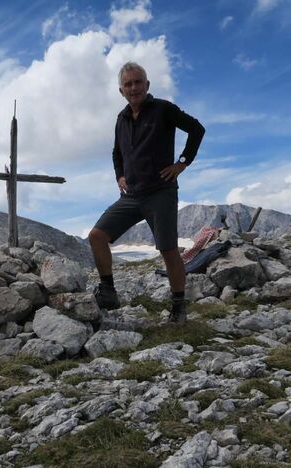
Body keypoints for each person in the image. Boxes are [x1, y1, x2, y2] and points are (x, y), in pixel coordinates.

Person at [89, 62, 205, 323]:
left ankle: (178, 308)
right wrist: (119, 174)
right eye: (128, 84)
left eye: (138, 82)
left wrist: (182, 162)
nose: (134, 88)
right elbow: (116, 152)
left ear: (147, 85)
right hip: (131, 196)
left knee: (168, 249)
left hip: (161, 192)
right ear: (121, 90)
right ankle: (108, 291)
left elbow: (197, 129)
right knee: (97, 236)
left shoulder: (163, 109)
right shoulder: (121, 119)